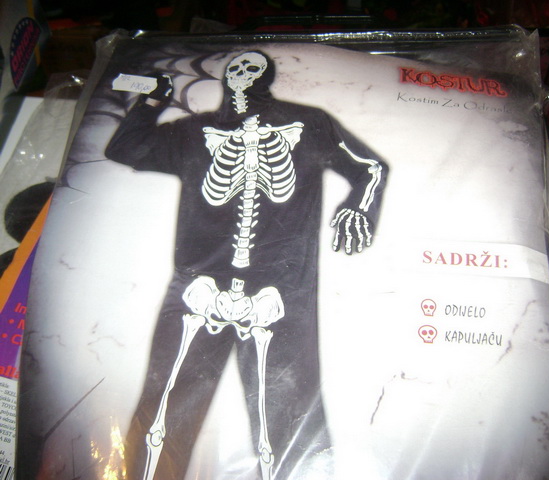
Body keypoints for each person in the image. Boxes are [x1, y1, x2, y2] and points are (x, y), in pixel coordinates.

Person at [105, 50, 388, 479]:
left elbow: (370, 167)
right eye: (236, 67)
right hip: (199, 286)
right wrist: (150, 103)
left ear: (267, 76)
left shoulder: (307, 123)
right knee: (162, 408)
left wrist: (360, 207)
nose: (241, 74)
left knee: (290, 419)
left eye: (251, 68)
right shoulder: (195, 131)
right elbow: (126, 148)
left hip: (279, 290)